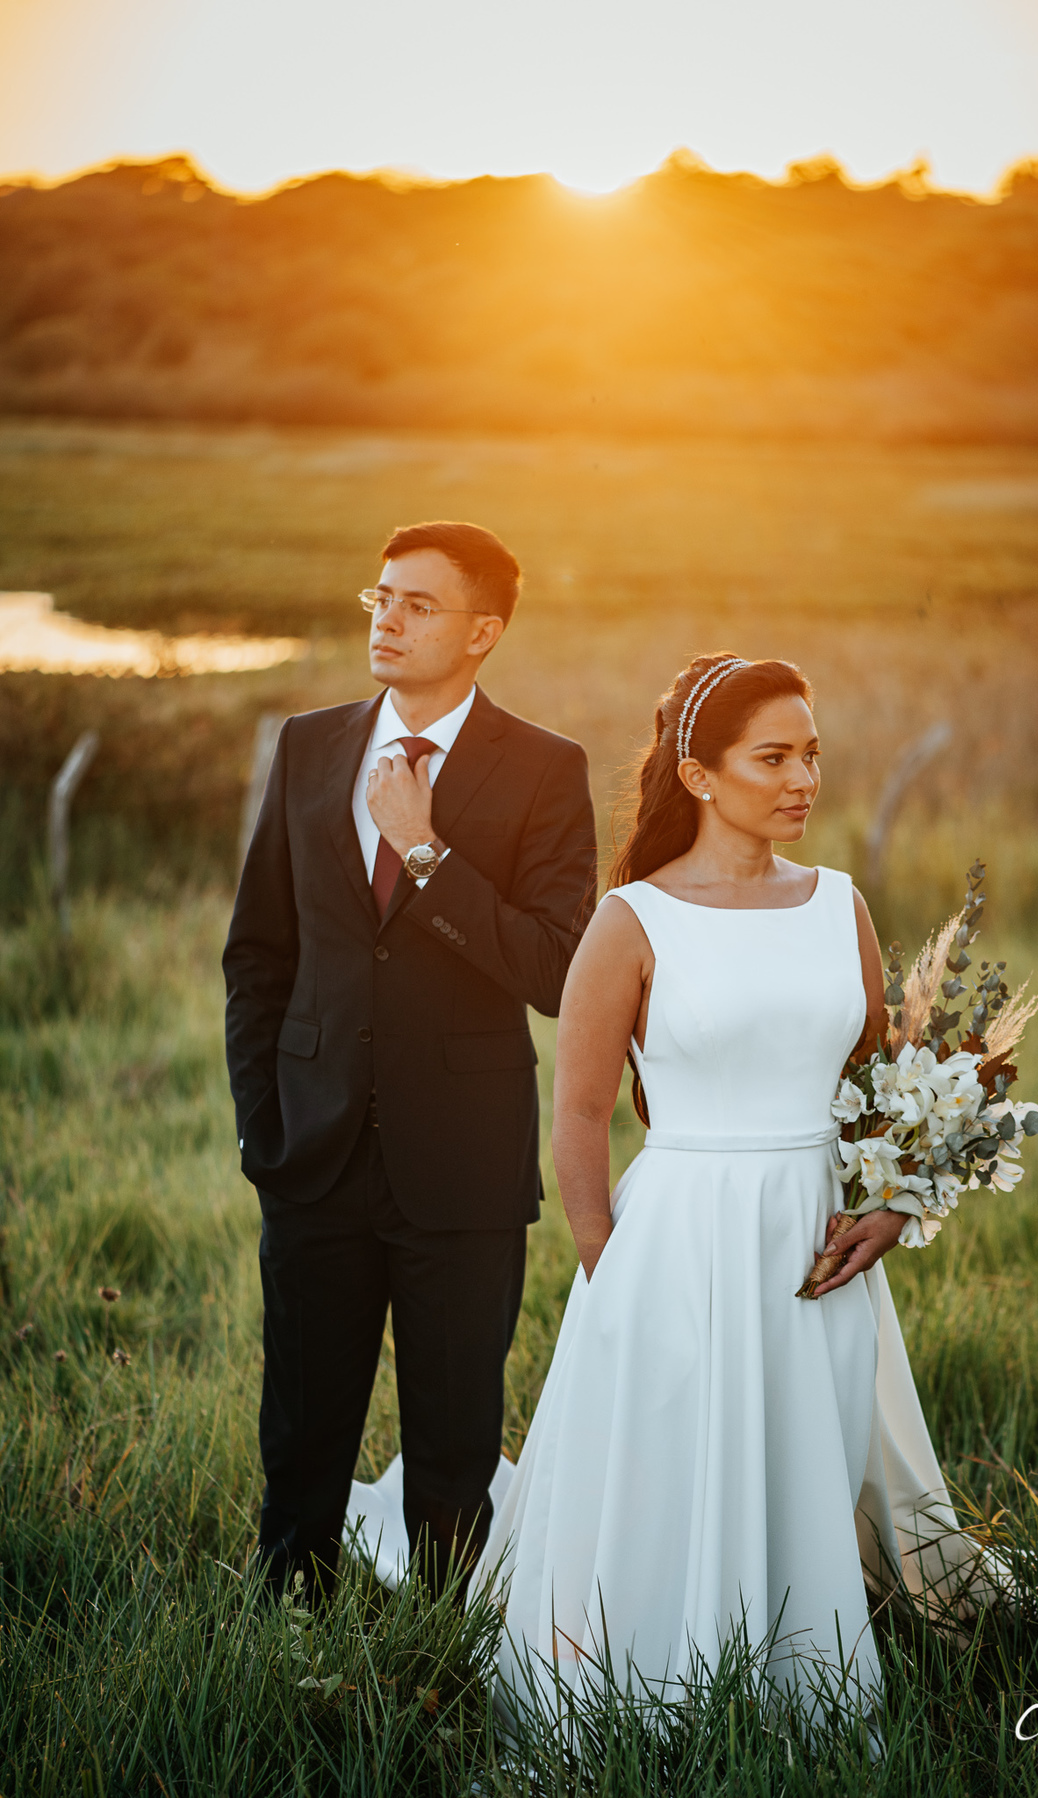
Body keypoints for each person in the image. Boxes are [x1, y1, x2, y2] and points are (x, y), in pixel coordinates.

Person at [471, 652, 968, 1714]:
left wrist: (894, 1201)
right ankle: (663, 1680)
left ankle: (807, 1670)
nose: (803, 780)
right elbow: (579, 1114)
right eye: (773, 757)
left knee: (803, 1462)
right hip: (677, 1242)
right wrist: (612, 1270)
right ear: (699, 776)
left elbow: (885, 1083)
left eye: (813, 755)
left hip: (815, 1245)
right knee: (672, 1473)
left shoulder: (841, 904)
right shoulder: (633, 921)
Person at [223, 519, 597, 1601]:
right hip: (312, 1151)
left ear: (484, 631)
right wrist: (264, 1124)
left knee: (452, 1445)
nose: (386, 618)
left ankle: (441, 1651)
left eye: (417, 604)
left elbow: (558, 970)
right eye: (379, 597)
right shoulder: (309, 744)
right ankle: (289, 1621)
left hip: (463, 1164)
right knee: (300, 1435)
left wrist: (427, 852)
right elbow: (259, 954)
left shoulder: (544, 769)